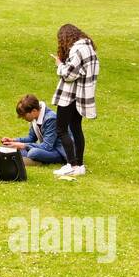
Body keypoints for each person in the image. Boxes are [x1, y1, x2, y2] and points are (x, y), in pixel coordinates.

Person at [51, 24, 99, 178]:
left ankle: (71, 165)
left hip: (70, 95)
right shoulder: (89, 47)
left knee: (61, 129)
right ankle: (79, 164)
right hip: (83, 95)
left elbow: (69, 75)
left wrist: (59, 65)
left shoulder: (77, 50)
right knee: (76, 127)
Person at [2, 94, 66, 166]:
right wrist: (13, 140)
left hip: (59, 152)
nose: (23, 118)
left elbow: (47, 146)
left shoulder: (51, 119)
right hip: (46, 149)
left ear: (34, 111)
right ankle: (30, 159)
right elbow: (31, 138)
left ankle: (36, 161)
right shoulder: (35, 117)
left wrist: (23, 146)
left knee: (33, 153)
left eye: (24, 115)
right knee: (8, 148)